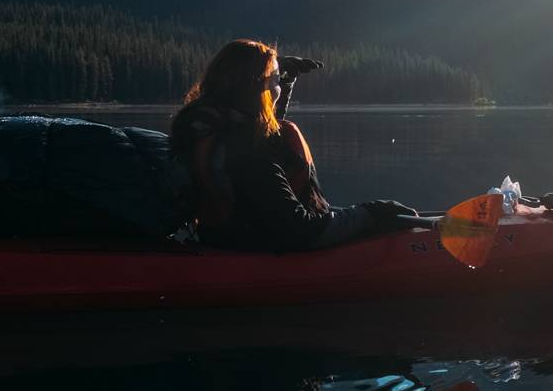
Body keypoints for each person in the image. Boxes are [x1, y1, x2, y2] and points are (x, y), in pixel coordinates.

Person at [169, 39, 421, 250]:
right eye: (275, 81)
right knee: (380, 214)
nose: (278, 89)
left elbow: (262, 131)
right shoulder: (247, 150)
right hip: (254, 246)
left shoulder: (208, 127)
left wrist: (283, 82)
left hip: (224, 237)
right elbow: (300, 231)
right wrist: (374, 213)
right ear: (256, 87)